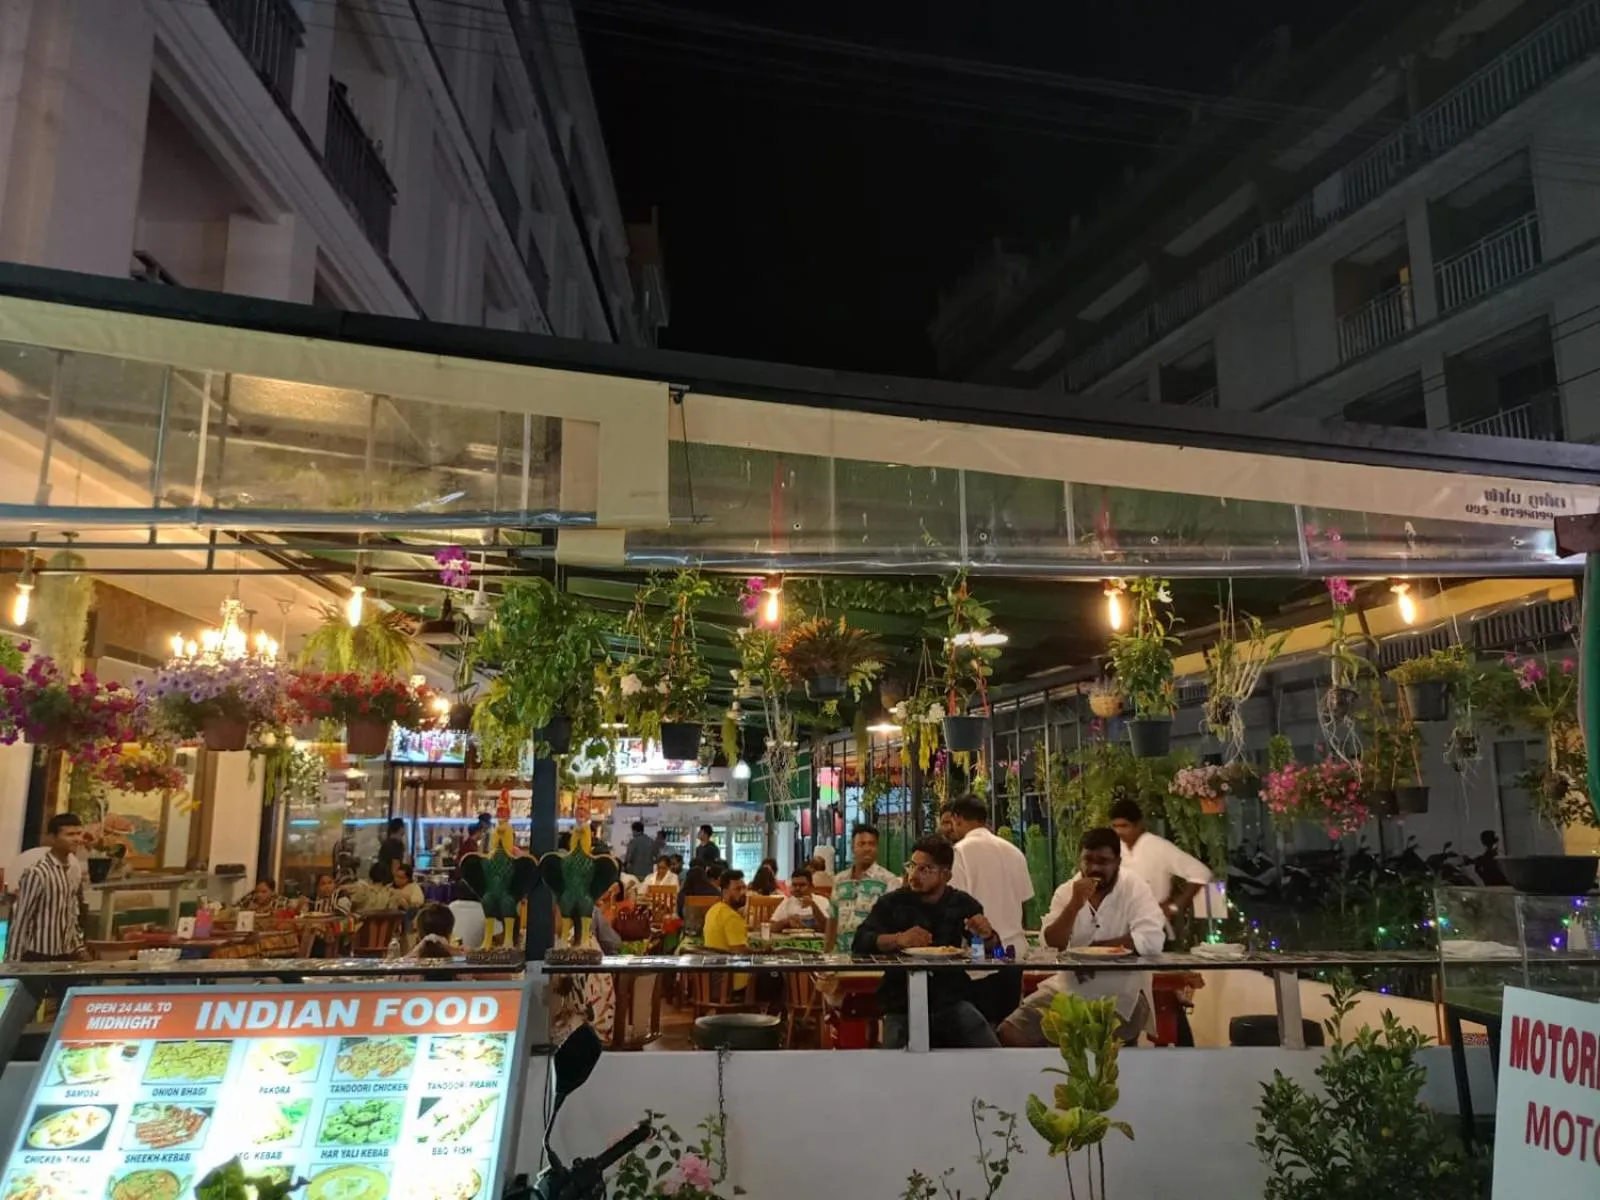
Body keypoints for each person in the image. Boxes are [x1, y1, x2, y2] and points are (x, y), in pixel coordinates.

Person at [999, 828, 1165, 1048]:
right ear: (1079, 860)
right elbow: (1051, 942)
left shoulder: (1135, 888)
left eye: (1103, 861)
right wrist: (1074, 905)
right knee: (1010, 1032)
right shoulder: (1067, 891)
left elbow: (1151, 938)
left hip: (1123, 993)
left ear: (1117, 862)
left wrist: (1095, 953)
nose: (1094, 868)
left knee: (1096, 1044)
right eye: (1088, 860)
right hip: (1068, 989)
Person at [852, 836, 1000, 1049]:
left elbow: (994, 953)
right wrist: (898, 939)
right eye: (912, 866)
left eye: (925, 869)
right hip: (901, 1000)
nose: (914, 875)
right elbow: (861, 941)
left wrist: (987, 936)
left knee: (989, 1048)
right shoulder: (893, 903)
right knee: (891, 1056)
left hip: (950, 999)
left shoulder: (962, 904)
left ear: (946, 875)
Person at [944, 794, 1034, 1025]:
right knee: (1006, 1024)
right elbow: (1025, 903)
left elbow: (955, 903)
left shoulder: (960, 852)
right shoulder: (1014, 851)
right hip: (1011, 953)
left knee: (978, 1029)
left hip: (979, 955)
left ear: (957, 819)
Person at [1108, 799, 1212, 931]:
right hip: (1119, 924)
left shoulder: (1158, 847)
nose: (1119, 832)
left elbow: (1201, 873)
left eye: (1124, 826)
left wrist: (1175, 906)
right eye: (1115, 827)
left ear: (1139, 825)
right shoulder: (1114, 847)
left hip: (1153, 923)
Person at [7, 814, 88, 962]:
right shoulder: (37, 872)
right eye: (70, 834)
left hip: (66, 955)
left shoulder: (72, 871)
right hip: (39, 955)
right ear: (53, 837)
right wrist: (12, 963)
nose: (77, 839)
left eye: (78, 833)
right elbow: (21, 920)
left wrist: (79, 949)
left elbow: (70, 915)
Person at [828, 824, 902, 946]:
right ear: (852, 848)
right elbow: (832, 918)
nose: (867, 848)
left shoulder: (889, 881)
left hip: (872, 957)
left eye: (871, 844)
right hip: (841, 958)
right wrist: (827, 952)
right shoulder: (839, 880)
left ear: (877, 847)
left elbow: (894, 923)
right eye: (861, 844)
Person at [702, 869, 752, 994]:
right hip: (733, 981)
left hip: (713, 978)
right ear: (724, 892)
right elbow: (739, 951)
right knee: (776, 979)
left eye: (744, 888)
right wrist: (762, 952)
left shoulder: (714, 910)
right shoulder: (731, 917)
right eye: (737, 889)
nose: (743, 892)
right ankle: (764, 1013)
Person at [771, 868, 833, 932]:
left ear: (811, 887)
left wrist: (813, 905)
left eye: (802, 885)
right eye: (794, 885)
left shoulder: (822, 901)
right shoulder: (787, 902)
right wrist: (786, 921)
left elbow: (828, 928)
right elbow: (771, 928)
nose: (797, 888)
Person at [371, 818, 407, 884]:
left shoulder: (385, 844)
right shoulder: (397, 845)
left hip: (382, 880)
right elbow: (395, 865)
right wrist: (397, 882)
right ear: (401, 828)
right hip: (390, 881)